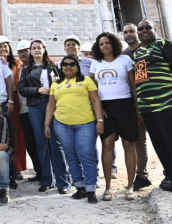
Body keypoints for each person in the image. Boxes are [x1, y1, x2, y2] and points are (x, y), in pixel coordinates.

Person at [132, 20, 172, 202]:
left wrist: (171, 85)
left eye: (148, 27)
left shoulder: (164, 44)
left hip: (167, 102)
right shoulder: (137, 53)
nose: (144, 30)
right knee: (160, 144)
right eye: (140, 28)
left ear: (154, 30)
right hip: (148, 106)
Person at [45, 55, 104, 204]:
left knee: (87, 155)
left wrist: (100, 120)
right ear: (61, 68)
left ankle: (91, 189)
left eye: (72, 64)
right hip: (62, 125)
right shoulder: (56, 84)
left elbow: (96, 101)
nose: (68, 67)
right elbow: (51, 105)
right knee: (71, 156)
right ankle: (80, 187)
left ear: (77, 67)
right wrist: (46, 124)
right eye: (65, 64)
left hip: (85, 124)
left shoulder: (86, 80)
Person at [89, 32, 139, 201]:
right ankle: (108, 187)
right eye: (101, 43)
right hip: (105, 108)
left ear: (114, 44)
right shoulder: (96, 63)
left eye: (107, 43)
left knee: (129, 145)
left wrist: (137, 108)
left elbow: (133, 86)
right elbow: (92, 89)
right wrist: (98, 109)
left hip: (125, 105)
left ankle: (130, 186)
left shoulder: (125, 60)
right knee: (107, 144)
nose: (104, 46)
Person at [18, 39, 71, 194]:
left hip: (52, 105)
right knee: (41, 142)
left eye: (39, 48)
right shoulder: (26, 69)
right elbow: (22, 89)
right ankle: (47, 180)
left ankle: (63, 181)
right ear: (30, 51)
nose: (36, 50)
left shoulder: (54, 67)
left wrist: (56, 85)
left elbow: (64, 85)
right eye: (33, 48)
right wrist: (38, 90)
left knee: (55, 142)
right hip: (35, 107)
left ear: (44, 49)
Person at [122, 23, 152, 191]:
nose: (129, 34)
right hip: (134, 103)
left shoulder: (147, 50)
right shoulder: (123, 56)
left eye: (131, 31)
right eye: (125, 32)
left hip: (153, 100)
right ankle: (142, 176)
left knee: (162, 138)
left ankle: (171, 173)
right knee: (139, 141)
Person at [0, 35, 26, 182]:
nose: (3, 49)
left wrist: (12, 101)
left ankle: (17, 166)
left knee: (17, 134)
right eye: (0, 47)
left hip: (16, 100)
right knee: (0, 134)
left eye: (5, 46)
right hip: (0, 100)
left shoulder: (17, 64)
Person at [15, 40, 41, 182]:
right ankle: (39, 171)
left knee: (40, 141)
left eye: (25, 51)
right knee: (30, 142)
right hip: (24, 111)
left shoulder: (37, 67)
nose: (23, 54)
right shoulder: (19, 69)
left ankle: (47, 173)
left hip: (37, 109)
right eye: (20, 52)